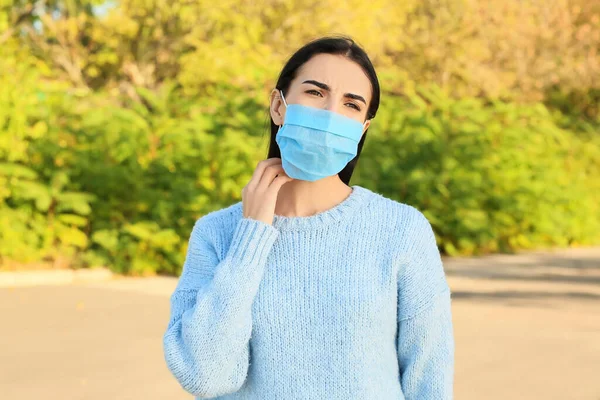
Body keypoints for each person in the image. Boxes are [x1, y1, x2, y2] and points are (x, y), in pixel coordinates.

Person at [162, 35, 454, 399]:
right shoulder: (216, 234)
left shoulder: (402, 230)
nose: (330, 113)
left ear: (362, 127)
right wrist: (250, 239)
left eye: (351, 104)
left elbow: (429, 379)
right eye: (316, 93)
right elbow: (206, 377)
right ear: (278, 105)